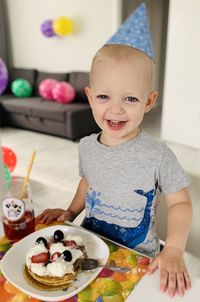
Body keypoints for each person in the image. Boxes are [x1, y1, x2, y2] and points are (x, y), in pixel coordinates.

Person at [36, 43, 192, 297]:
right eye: (104, 97)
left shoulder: (158, 154)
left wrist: (173, 249)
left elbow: (181, 203)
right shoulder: (86, 146)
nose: (116, 109)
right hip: (88, 248)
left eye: (130, 98)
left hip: (138, 257)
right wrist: (71, 211)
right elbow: (89, 182)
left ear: (149, 101)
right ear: (89, 96)